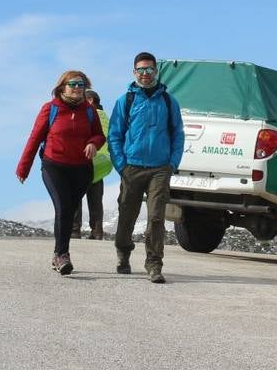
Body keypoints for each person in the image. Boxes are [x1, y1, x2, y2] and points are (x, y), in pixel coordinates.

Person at [16, 70, 105, 276]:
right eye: (72, 84)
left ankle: (58, 254)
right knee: (63, 207)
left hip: (82, 169)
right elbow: (35, 138)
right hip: (54, 166)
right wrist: (24, 167)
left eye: (81, 85)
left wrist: (93, 143)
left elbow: (99, 136)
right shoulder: (50, 109)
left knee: (69, 210)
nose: (77, 88)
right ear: (62, 87)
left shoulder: (89, 111)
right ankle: (62, 254)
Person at [108, 51, 184, 283]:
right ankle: (123, 252)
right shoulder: (125, 101)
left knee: (156, 218)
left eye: (149, 69)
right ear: (134, 72)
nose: (145, 74)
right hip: (131, 167)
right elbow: (114, 135)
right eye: (140, 70)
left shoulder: (169, 101)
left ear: (156, 71)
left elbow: (178, 135)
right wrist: (121, 165)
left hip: (160, 168)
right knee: (126, 216)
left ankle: (154, 264)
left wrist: (172, 163)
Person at [70, 89, 110, 240]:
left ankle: (74, 230)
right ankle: (97, 231)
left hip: (86, 159)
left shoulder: (89, 115)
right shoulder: (106, 117)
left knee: (76, 196)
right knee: (96, 200)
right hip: (103, 164)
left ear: (91, 101)